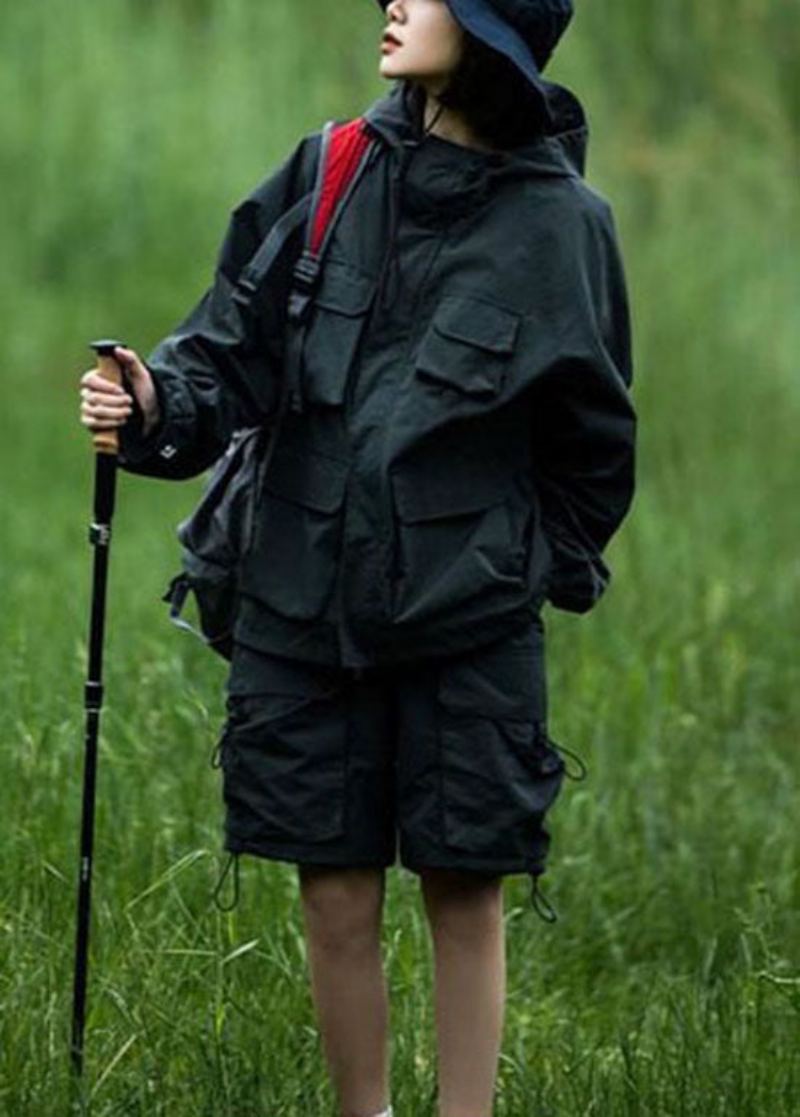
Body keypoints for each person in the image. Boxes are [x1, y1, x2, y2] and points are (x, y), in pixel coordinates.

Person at [78, 1, 636, 1114]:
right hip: (297, 591)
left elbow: (593, 445)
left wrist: (517, 569)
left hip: (467, 620)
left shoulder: (562, 227)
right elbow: (224, 355)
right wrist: (152, 404)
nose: (392, 3)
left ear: (489, 29)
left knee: (462, 885)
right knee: (332, 886)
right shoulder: (329, 170)